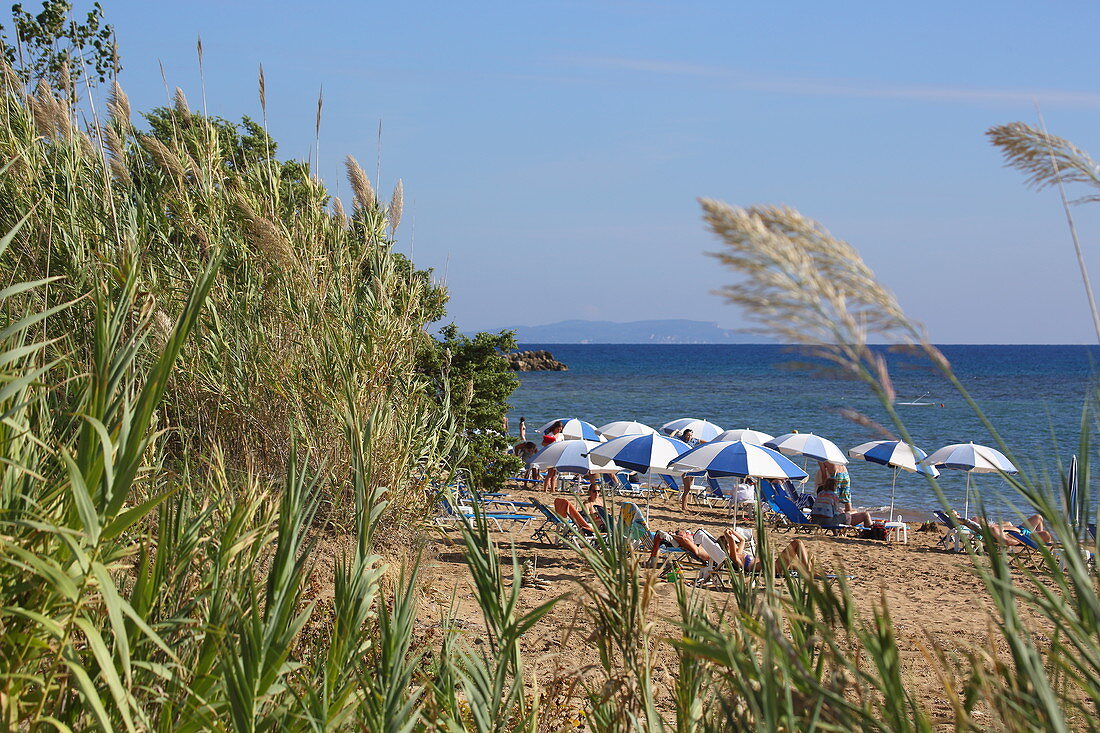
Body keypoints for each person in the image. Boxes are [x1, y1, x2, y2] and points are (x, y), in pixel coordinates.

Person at [718, 528, 814, 576]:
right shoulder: (734, 558)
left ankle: (809, 568)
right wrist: (728, 536)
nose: (736, 542)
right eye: (734, 542)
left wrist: (733, 532)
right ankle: (808, 570)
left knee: (804, 561)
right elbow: (731, 541)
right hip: (774, 568)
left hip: (774, 564)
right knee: (797, 542)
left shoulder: (739, 553)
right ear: (728, 545)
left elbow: (742, 540)